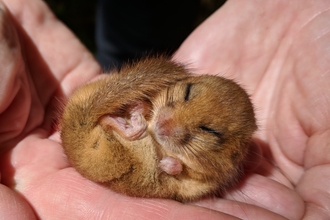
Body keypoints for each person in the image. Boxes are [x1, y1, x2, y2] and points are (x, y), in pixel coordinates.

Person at [0, 0, 329, 219]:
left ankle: (111, 120)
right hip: (104, 136)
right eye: (186, 92)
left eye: (208, 131)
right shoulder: (159, 96)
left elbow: (190, 185)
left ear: (233, 151)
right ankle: (110, 119)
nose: (169, 122)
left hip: (118, 157)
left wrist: (177, 171)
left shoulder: (214, 169)